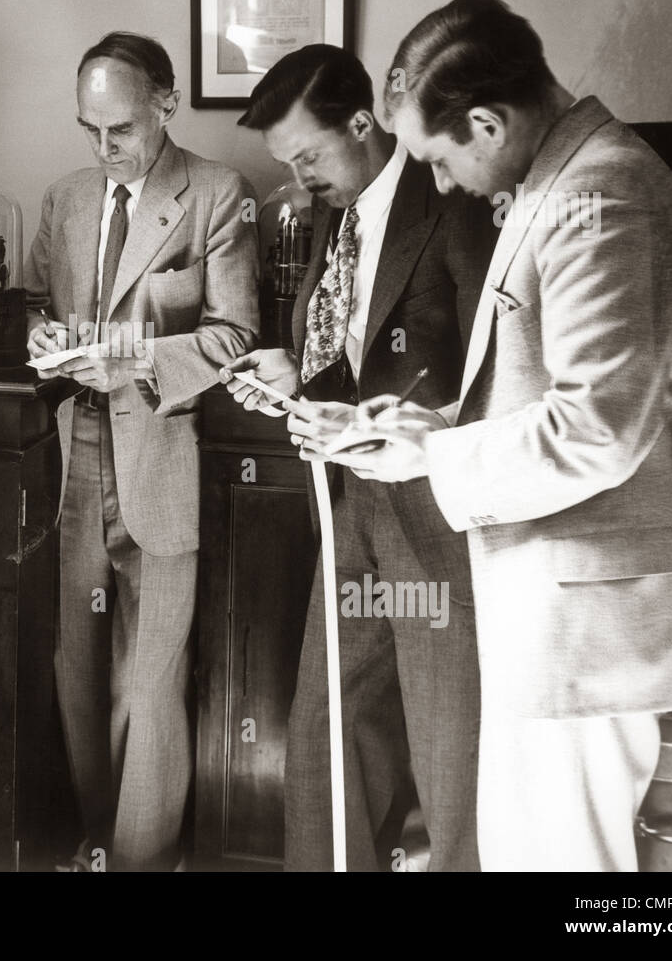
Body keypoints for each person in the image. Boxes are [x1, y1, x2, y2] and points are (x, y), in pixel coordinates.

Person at [333, 0, 672, 870]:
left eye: (440, 160)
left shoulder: (601, 196)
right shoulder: (565, 181)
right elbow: (557, 391)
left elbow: (598, 428)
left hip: (591, 618)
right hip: (564, 607)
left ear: (486, 121)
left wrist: (436, 454)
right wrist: (431, 424)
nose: (440, 185)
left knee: (566, 866)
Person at [220, 44, 495, 871]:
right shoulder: (336, 214)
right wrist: (290, 370)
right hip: (350, 512)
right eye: (288, 163)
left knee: (451, 750)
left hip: (435, 517)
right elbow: (348, 351)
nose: (300, 176)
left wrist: (425, 432)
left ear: (362, 123)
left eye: (308, 154)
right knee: (327, 735)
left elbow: (503, 365)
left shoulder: (451, 200)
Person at [25, 31, 258, 870]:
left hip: (163, 459)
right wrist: (42, 333)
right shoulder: (65, 200)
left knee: (147, 684)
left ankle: (142, 858)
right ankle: (99, 842)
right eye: (88, 129)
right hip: (76, 459)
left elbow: (234, 337)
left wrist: (129, 358)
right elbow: (30, 308)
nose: (103, 147)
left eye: (119, 128)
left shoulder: (219, 195)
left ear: (168, 102)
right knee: (77, 672)